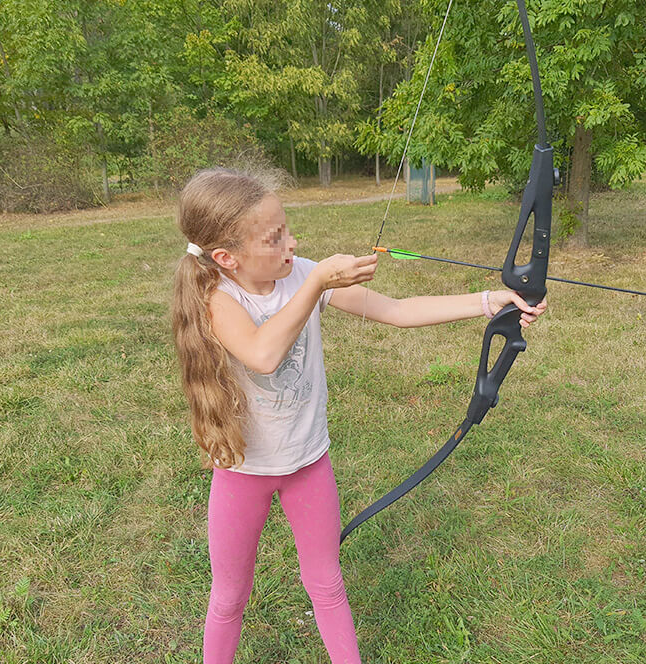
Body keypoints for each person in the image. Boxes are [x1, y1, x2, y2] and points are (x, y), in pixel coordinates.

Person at [170, 167, 547, 664]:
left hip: (308, 462)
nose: (291, 242)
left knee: (327, 584)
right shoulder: (217, 297)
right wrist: (317, 282)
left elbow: (397, 310)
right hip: (243, 470)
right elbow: (263, 355)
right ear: (227, 258)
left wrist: (488, 302)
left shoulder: (301, 273)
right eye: (274, 237)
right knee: (229, 596)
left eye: (287, 228)